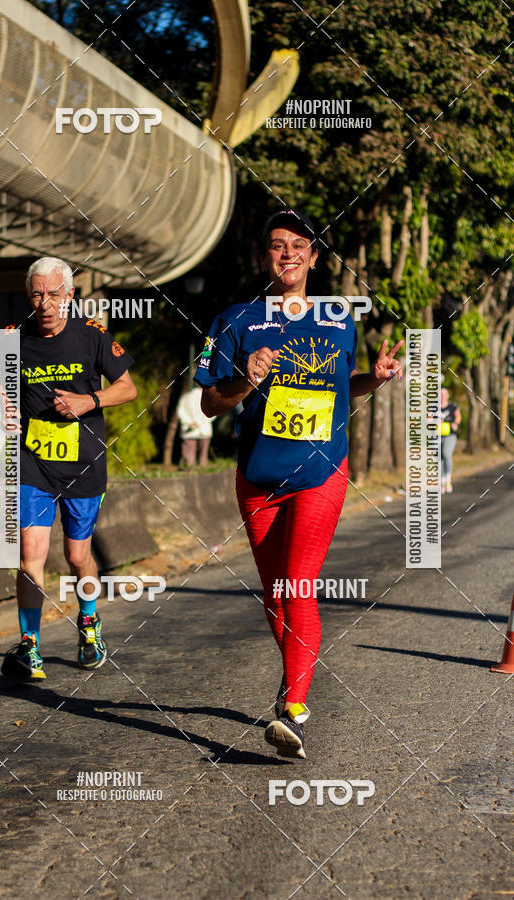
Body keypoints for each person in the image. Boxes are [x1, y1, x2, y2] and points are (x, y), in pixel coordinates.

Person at [195, 209, 402, 759]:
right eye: (276, 245)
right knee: (275, 595)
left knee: (297, 584)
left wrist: (374, 378)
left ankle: (294, 709)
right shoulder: (234, 320)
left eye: (298, 245)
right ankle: (295, 682)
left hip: (320, 471)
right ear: (264, 257)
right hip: (258, 476)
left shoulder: (339, 318)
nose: (287, 253)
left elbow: (342, 385)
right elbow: (209, 402)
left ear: (313, 258)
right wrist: (246, 379)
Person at [1, 257, 137, 681]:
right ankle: (29, 647)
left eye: (54, 294)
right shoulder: (12, 339)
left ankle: (89, 622)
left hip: (83, 464)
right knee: (30, 553)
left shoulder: (92, 334)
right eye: (37, 294)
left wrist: (88, 401)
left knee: (77, 556)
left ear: (70, 295)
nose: (45, 303)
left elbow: (128, 388)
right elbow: (0, 392)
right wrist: (3, 406)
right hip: (33, 463)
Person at [177, 384, 213, 466]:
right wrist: (200, 422)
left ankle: (189, 470)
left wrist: (190, 422)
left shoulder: (185, 397)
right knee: (203, 458)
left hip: (189, 431)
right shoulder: (208, 397)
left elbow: (180, 413)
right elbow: (212, 413)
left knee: (188, 458)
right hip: (204, 430)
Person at [440, 386, 461, 493]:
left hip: (450, 435)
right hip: (437, 436)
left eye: (444, 394)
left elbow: (458, 417)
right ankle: (441, 482)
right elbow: (428, 418)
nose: (442, 396)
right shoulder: (433, 407)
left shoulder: (452, 406)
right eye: (440, 394)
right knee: (439, 459)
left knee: (446, 454)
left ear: (448, 396)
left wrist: (455, 423)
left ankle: (448, 479)